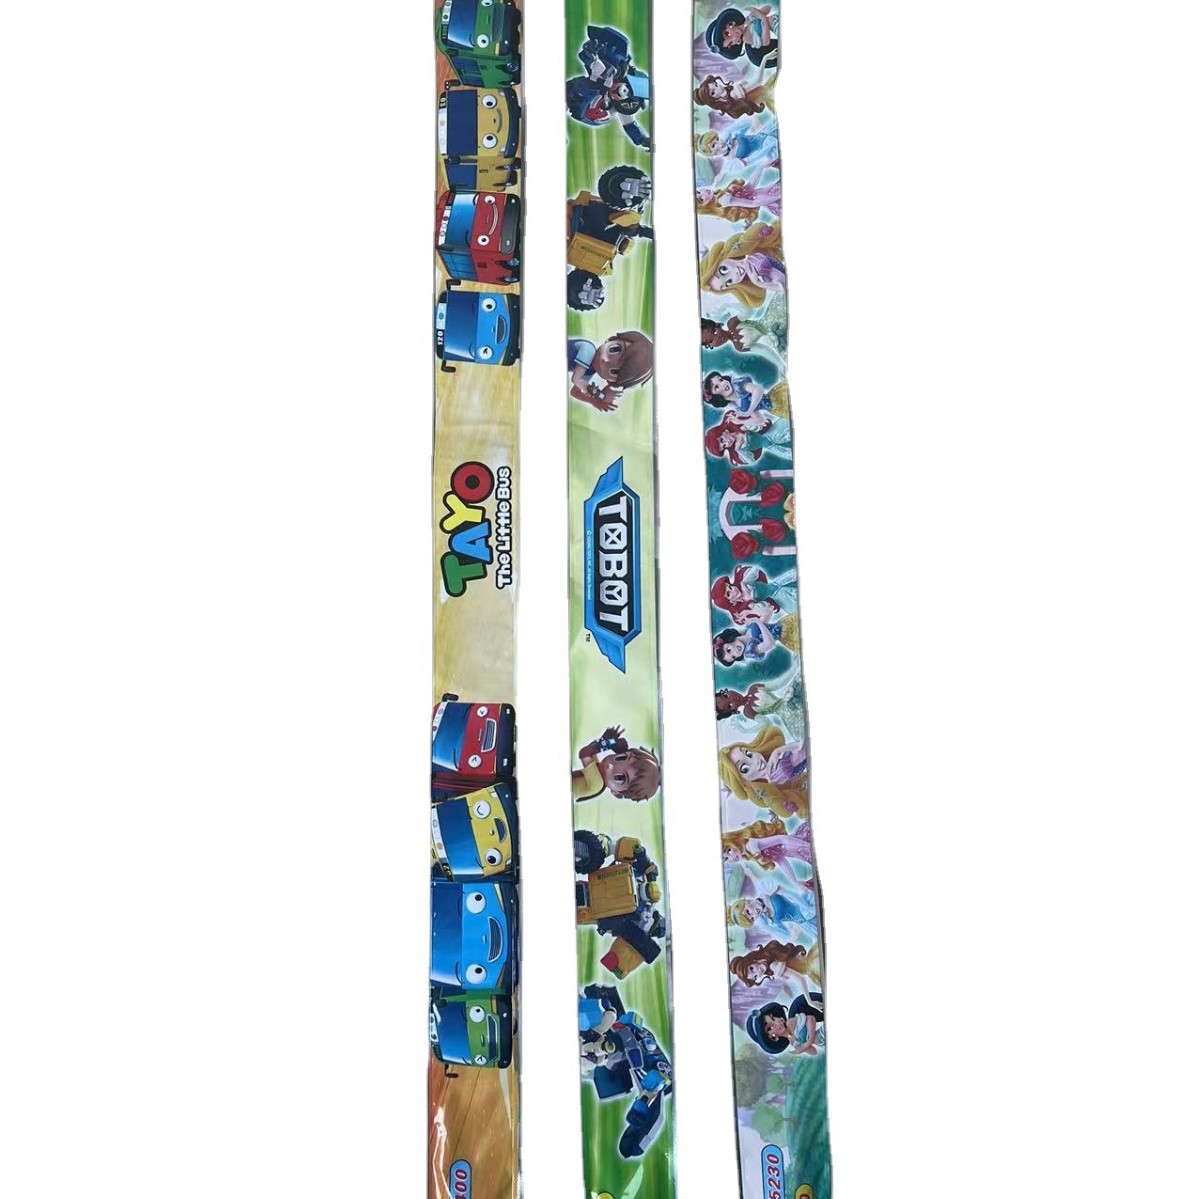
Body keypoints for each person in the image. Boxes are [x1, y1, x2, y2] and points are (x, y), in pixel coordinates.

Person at [573, 726, 661, 802]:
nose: (609, 766)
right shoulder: (597, 771)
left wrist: (608, 742)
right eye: (621, 757)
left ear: (617, 793)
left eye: (620, 777)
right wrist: (606, 741)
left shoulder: (597, 783)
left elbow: (584, 753)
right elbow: (591, 751)